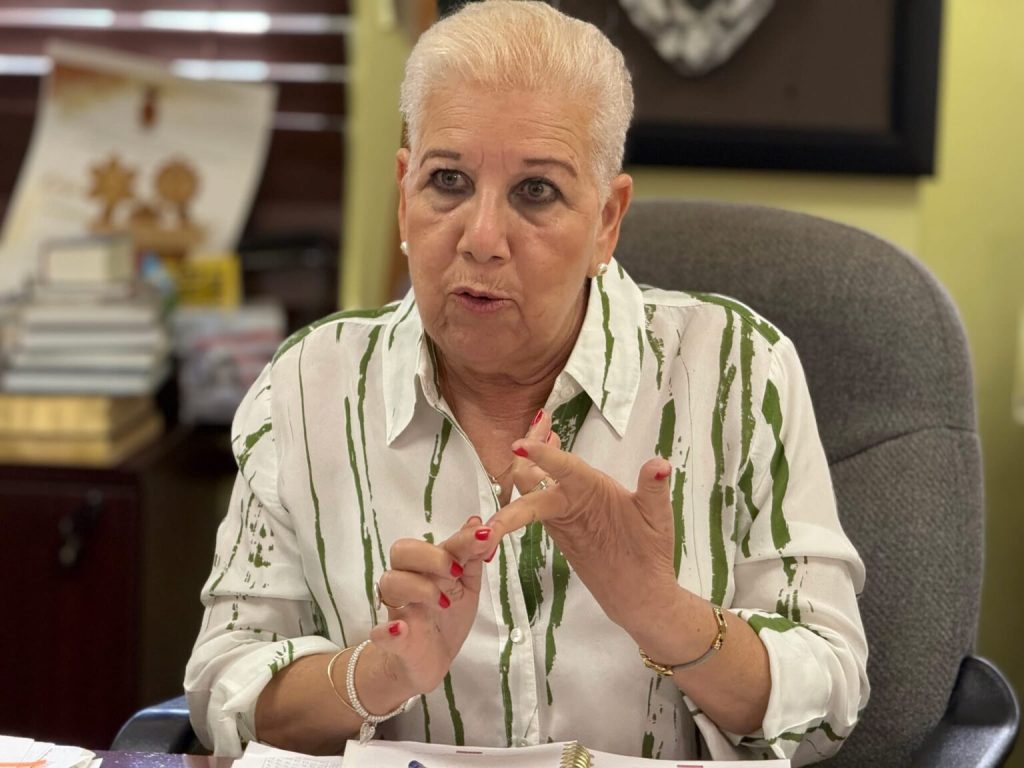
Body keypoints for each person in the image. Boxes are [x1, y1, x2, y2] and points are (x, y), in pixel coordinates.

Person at [184, 1, 869, 763]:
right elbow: (225, 695)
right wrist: (376, 674)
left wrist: (662, 612)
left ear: (606, 220)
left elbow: (830, 703)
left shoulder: (738, 367)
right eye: (448, 181)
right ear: (405, 195)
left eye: (535, 191)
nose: (481, 239)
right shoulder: (308, 385)